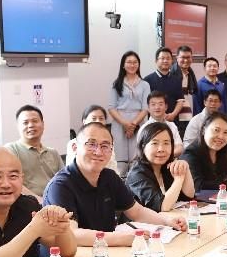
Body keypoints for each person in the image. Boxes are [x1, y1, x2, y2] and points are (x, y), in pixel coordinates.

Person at [44, 122, 185, 246]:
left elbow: (137, 212)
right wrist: (120, 238)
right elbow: (72, 234)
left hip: (104, 251)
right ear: (75, 147)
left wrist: (167, 221)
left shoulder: (109, 177)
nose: (98, 152)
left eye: (105, 146)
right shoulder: (60, 186)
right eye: (91, 144)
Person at [125, 122, 195, 212]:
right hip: (142, 221)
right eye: (155, 143)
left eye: (166, 143)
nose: (161, 149)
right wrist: (179, 179)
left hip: (168, 219)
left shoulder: (167, 166)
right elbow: (162, 206)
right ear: (143, 146)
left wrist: (185, 168)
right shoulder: (137, 174)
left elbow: (188, 197)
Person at [5, 104, 64, 202]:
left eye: (35, 121)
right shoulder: (11, 150)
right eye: (25, 122)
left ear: (43, 124)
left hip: (55, 202)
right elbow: (13, 183)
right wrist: (41, 202)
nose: (31, 125)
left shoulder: (53, 153)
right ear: (18, 126)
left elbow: (63, 180)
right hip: (28, 203)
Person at [181, 112, 227, 192]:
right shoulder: (190, 154)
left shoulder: (222, 154)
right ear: (204, 130)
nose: (221, 136)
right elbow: (196, 186)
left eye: (225, 132)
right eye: (216, 130)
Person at [108, 50, 150, 176]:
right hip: (119, 122)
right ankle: (118, 181)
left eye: (135, 62)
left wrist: (133, 125)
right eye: (129, 62)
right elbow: (111, 107)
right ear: (123, 65)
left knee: (137, 155)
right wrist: (125, 124)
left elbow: (145, 108)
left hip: (139, 121)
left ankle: (135, 181)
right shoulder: (117, 84)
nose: (132, 65)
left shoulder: (145, 84)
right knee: (119, 156)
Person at [65, 105, 119, 172]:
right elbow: (71, 168)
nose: (98, 121)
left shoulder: (108, 143)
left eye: (101, 118)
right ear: (84, 121)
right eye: (94, 118)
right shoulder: (74, 143)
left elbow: (113, 167)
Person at [137, 91, 183, 157]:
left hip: (170, 160)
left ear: (166, 107)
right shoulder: (144, 128)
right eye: (153, 104)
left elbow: (179, 148)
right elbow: (142, 152)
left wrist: (165, 156)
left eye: (160, 104)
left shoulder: (172, 125)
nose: (157, 107)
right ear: (148, 108)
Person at [144, 47, 183, 121]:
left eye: (168, 58)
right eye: (162, 58)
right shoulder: (147, 80)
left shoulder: (177, 79)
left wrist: (173, 114)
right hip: (154, 121)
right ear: (156, 61)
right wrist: (158, 116)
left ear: (172, 61)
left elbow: (180, 101)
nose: (165, 61)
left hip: (172, 120)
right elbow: (145, 104)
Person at [171, 45, 197, 135]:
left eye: (188, 57)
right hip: (174, 113)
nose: (186, 60)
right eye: (183, 57)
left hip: (186, 112)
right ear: (177, 58)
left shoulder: (190, 73)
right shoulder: (171, 73)